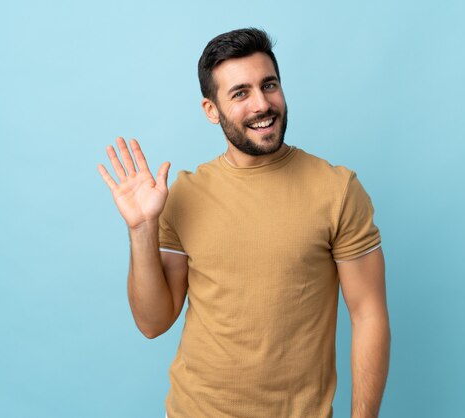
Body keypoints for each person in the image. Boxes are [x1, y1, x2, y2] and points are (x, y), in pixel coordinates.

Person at [98, 28, 390, 418]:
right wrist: (141, 229)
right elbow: (153, 322)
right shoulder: (185, 194)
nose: (262, 104)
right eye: (240, 93)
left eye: (269, 85)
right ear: (211, 110)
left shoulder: (337, 190)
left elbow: (368, 314)